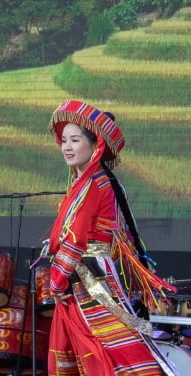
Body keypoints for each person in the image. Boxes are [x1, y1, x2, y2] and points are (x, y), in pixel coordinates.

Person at [42, 99, 178, 375]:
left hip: (88, 277)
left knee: (108, 346)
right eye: (64, 140)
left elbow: (77, 239)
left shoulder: (93, 184)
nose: (67, 147)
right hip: (90, 274)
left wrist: (55, 281)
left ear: (96, 145)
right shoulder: (100, 181)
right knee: (92, 345)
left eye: (75, 140)